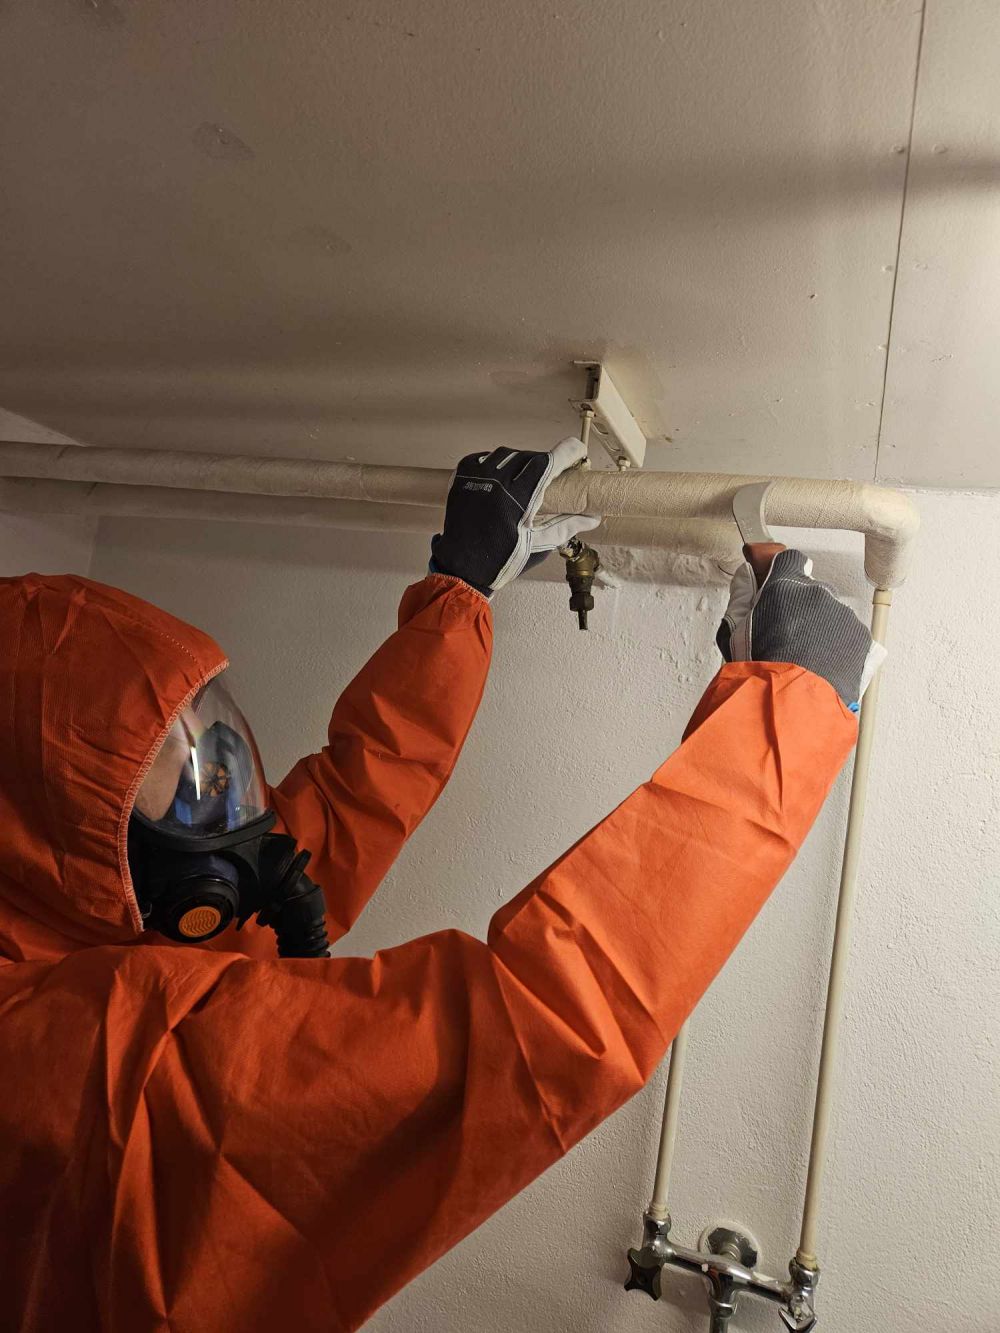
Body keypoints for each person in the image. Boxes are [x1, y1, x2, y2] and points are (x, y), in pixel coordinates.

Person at [0, 439, 878, 1333]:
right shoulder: (78, 1061)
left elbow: (334, 814)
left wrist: (458, 593)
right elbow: (533, 1033)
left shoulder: (73, 914)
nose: (219, 789)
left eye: (209, 740)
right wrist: (787, 717)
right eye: (176, 778)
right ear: (51, 825)